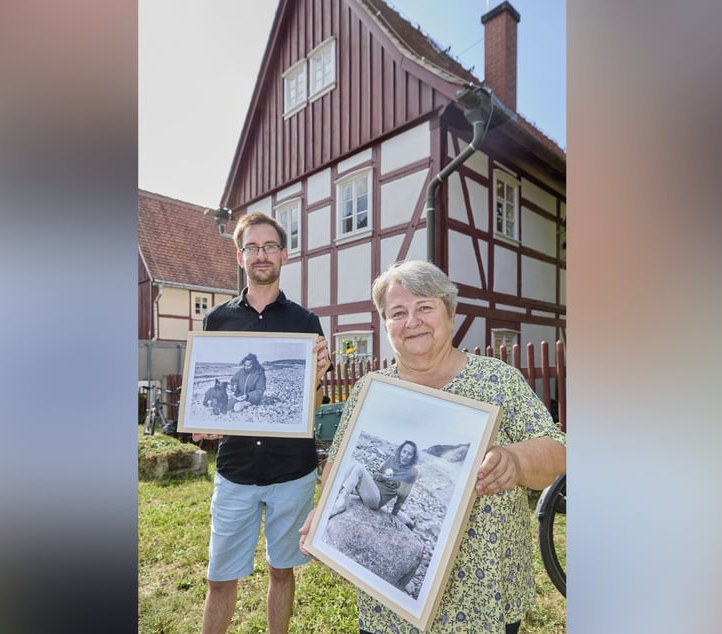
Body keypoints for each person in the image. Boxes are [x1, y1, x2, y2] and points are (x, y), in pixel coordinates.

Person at [300, 260, 566, 634]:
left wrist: (517, 461)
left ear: (451, 312)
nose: (413, 321)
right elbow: (341, 465)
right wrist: (325, 512)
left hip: (483, 598)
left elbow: (560, 452)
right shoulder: (370, 390)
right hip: (390, 605)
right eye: (398, 313)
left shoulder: (497, 380)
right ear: (385, 323)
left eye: (425, 307)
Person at [193, 212, 331, 634]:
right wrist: (202, 420)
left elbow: (315, 406)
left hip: (292, 470)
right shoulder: (217, 321)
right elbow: (210, 401)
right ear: (240, 257)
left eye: (269, 246)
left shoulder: (305, 323)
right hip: (235, 470)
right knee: (220, 578)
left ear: (284, 255)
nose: (261, 255)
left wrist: (319, 378)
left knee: (281, 571)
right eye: (252, 247)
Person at [328, 440, 419, 529]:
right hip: (369, 491)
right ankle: (336, 495)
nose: (405, 456)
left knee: (359, 467)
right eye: (404, 452)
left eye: (409, 454)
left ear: (413, 457)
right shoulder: (392, 459)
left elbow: (403, 496)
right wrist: (384, 477)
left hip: (376, 500)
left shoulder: (412, 472)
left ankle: (339, 503)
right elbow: (375, 475)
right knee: (353, 462)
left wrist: (394, 514)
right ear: (401, 451)